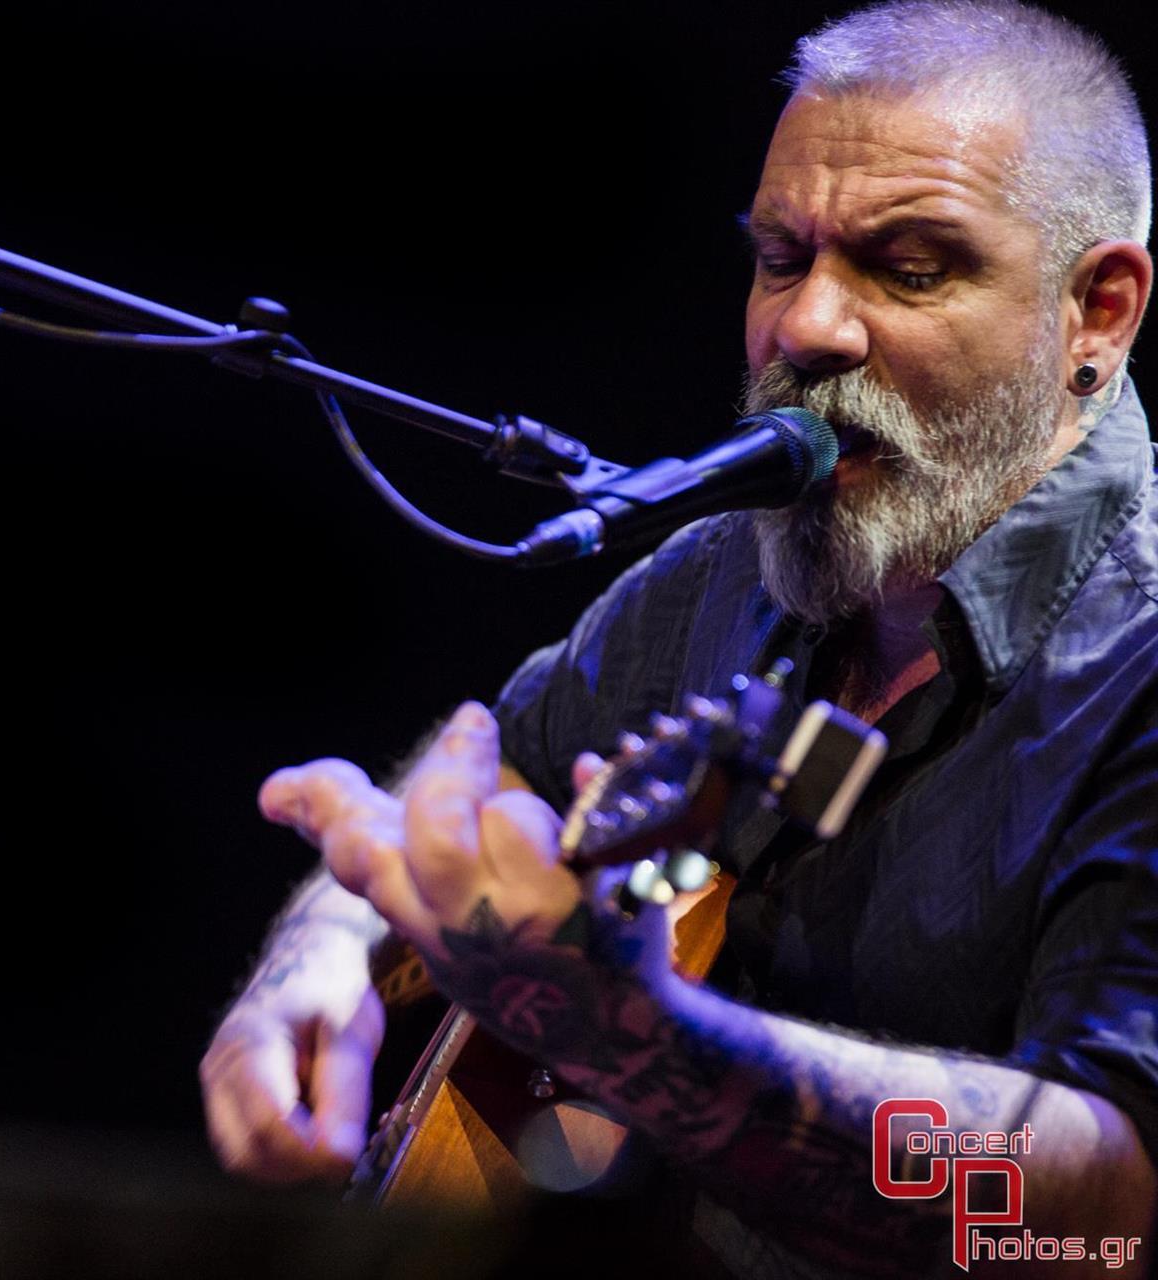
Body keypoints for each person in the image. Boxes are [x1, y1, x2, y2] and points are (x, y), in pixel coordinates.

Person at [199, 2, 1158, 1275]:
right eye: (779, 255)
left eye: (909, 266)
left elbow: (1105, 1215)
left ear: (1096, 308)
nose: (806, 327)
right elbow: (484, 780)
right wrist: (317, 962)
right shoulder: (722, 575)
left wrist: (637, 1038)